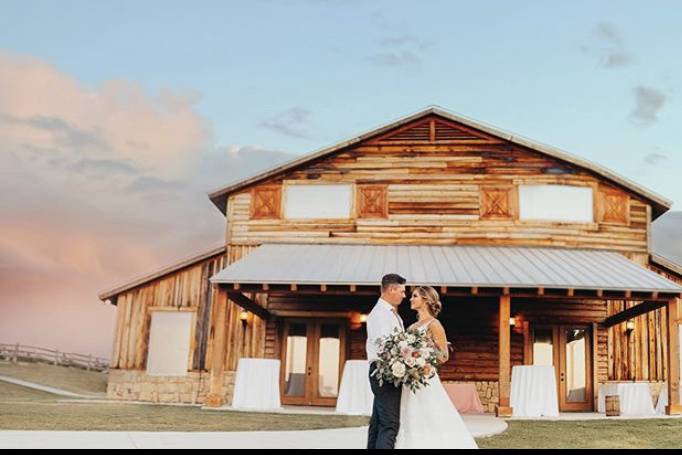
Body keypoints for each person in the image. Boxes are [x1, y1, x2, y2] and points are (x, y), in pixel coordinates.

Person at [394, 286, 478, 449]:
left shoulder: (434, 324)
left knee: (431, 416)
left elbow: (444, 355)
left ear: (426, 299)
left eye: (415, 296)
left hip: (425, 378)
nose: (410, 299)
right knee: (412, 416)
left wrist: (424, 362)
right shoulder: (411, 327)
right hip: (410, 380)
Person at [366, 273, 407, 450]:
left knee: (378, 423)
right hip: (385, 372)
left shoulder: (390, 313)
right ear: (391, 289)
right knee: (390, 425)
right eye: (402, 291)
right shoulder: (380, 314)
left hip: (387, 371)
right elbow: (385, 346)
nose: (404, 295)